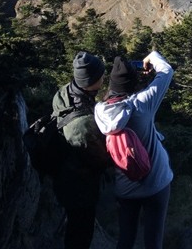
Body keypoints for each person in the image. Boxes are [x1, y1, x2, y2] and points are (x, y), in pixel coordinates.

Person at [94, 51, 174, 249]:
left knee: (126, 238)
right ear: (132, 84)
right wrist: (152, 57)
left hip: (126, 188)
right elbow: (166, 71)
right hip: (156, 182)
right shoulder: (142, 103)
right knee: (153, 241)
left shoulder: (100, 111)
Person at [52, 50, 111, 249]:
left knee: (74, 226)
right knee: (80, 233)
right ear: (91, 81)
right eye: (101, 76)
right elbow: (101, 160)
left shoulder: (65, 92)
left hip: (64, 172)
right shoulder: (82, 125)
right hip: (78, 188)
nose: (104, 78)